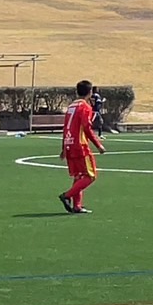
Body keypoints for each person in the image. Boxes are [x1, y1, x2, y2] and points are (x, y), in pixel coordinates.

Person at [58, 79, 105, 214]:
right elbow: (86, 128)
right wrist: (98, 145)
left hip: (69, 144)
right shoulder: (85, 106)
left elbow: (65, 128)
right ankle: (67, 196)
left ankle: (77, 206)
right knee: (91, 176)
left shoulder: (71, 106)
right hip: (80, 145)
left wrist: (63, 147)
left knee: (79, 175)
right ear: (90, 92)